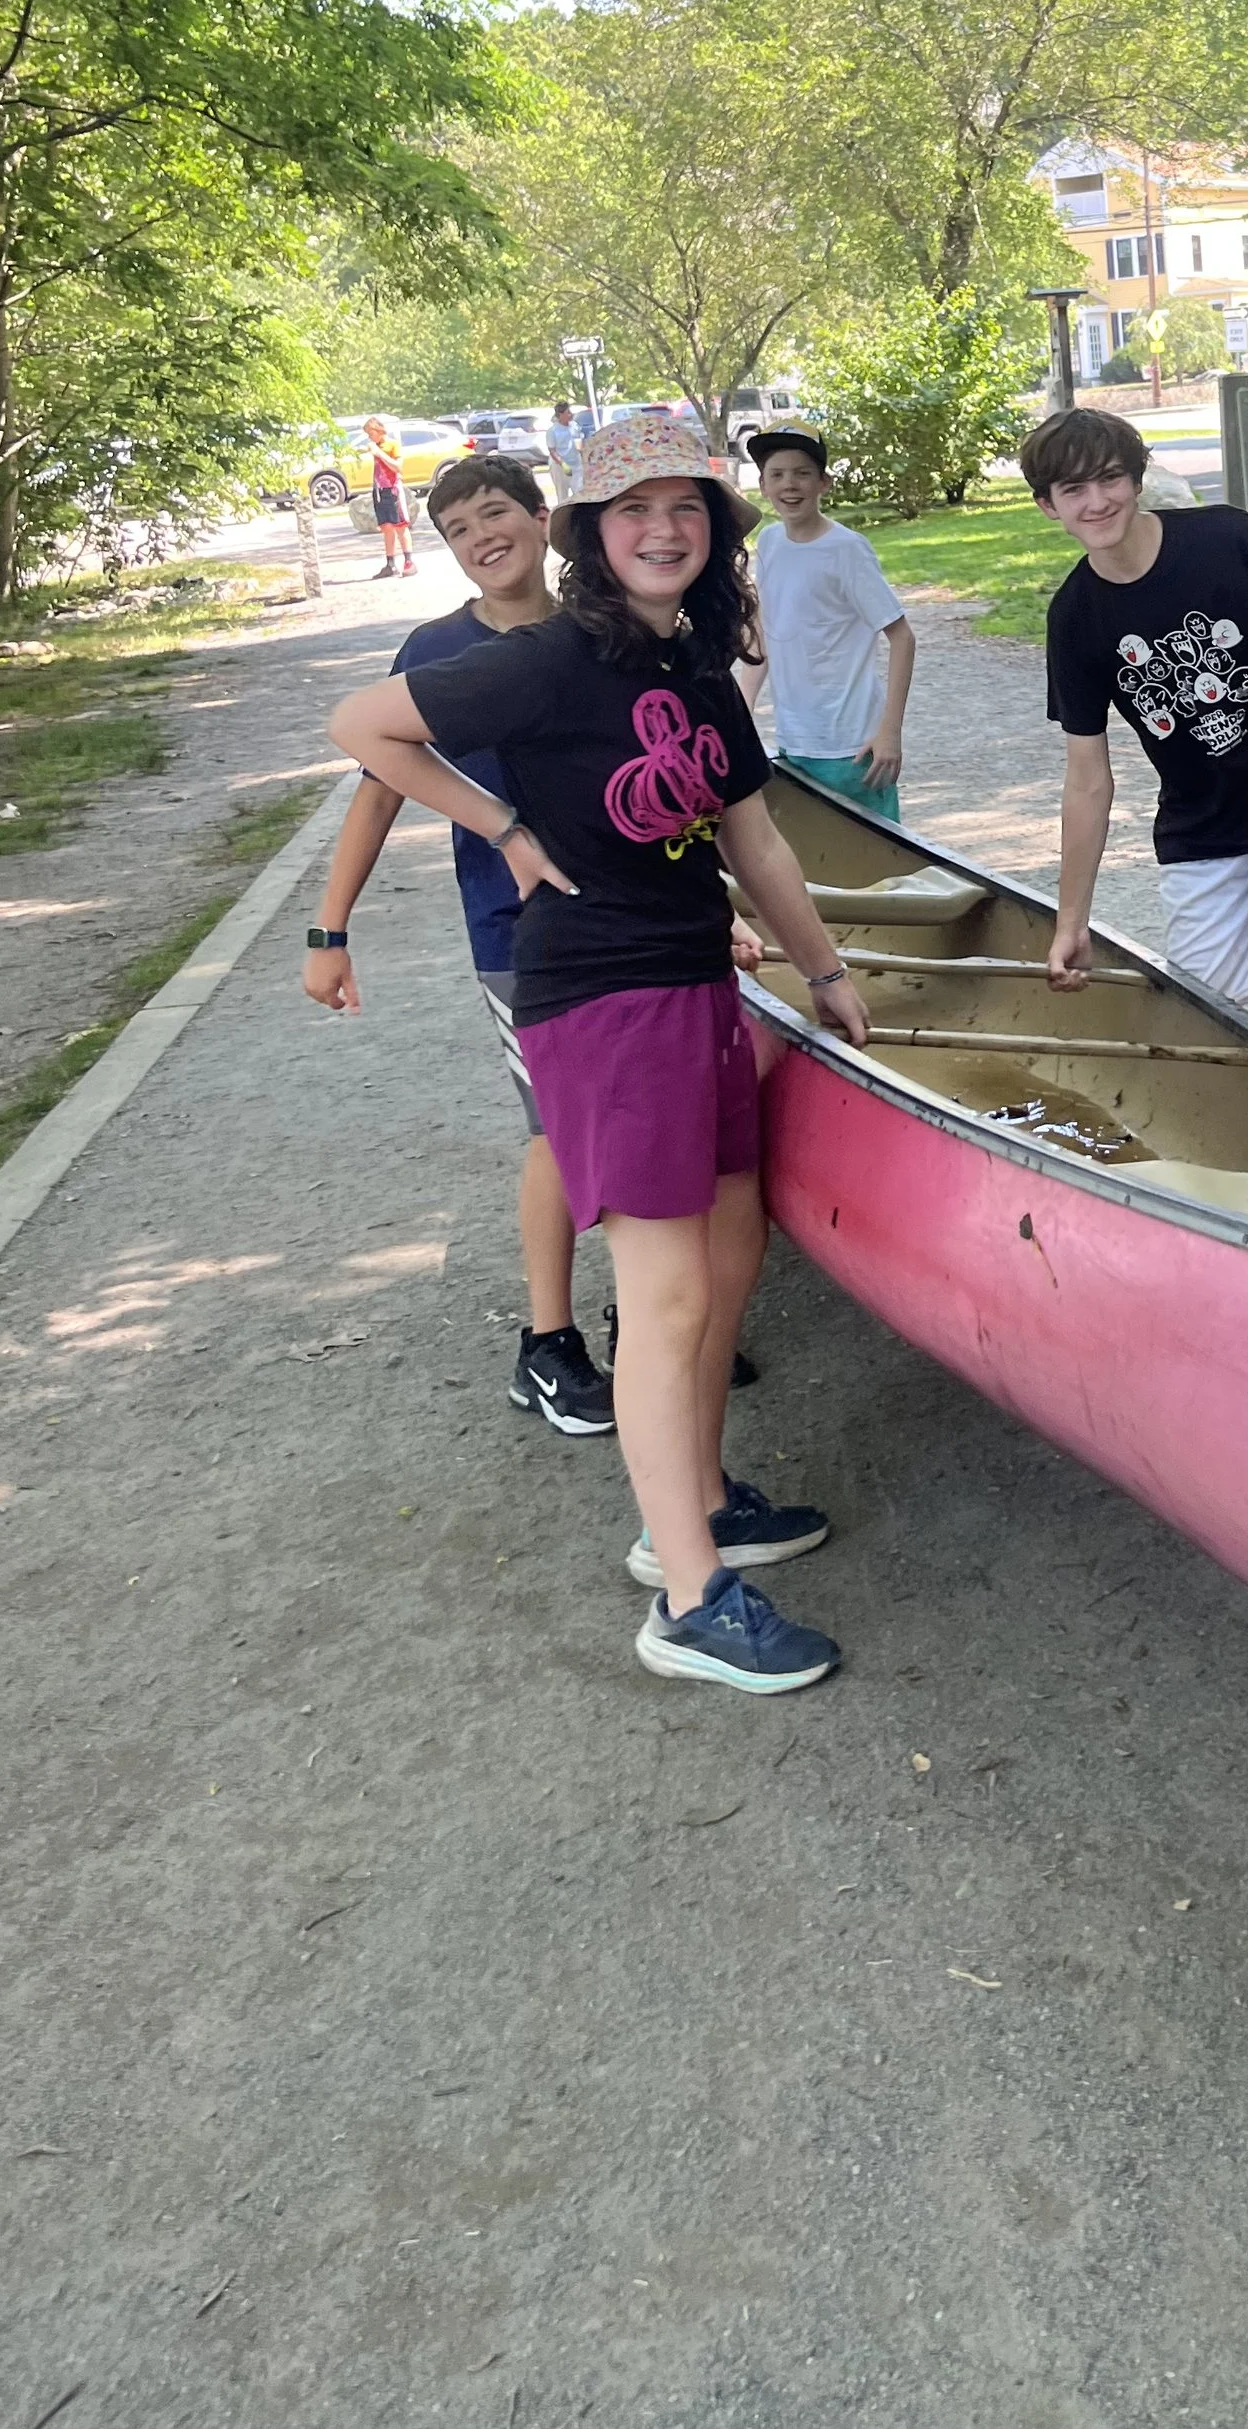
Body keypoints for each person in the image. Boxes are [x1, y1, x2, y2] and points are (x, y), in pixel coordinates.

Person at [329, 413, 873, 1696]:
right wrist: (505, 825)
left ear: (714, 531)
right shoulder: (551, 657)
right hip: (601, 1002)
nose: (662, 530)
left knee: (728, 1258)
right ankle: (688, 1598)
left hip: (694, 985)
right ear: (589, 534)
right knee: (668, 1293)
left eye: (685, 509)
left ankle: (689, 1502)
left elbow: (759, 845)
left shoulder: (693, 668)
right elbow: (366, 724)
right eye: (633, 512)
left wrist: (829, 971)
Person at [304, 454, 613, 1432]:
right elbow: (379, 785)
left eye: (495, 513)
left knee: (642, 1110)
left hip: (631, 920)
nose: (482, 537)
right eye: (457, 529)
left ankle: (651, 1314)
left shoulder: (602, 629)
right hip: (515, 936)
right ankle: (547, 1347)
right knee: (559, 1132)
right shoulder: (436, 650)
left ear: (538, 517)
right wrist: (329, 930)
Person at [1023, 406, 1248, 1080]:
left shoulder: (1225, 538)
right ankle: (1239, 1171)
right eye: (1074, 490)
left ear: (1136, 478)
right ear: (1048, 506)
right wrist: (1072, 918)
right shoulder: (1074, 618)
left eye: (1109, 479)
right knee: (1204, 1017)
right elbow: (1087, 777)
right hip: (1201, 826)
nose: (1097, 502)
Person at [737, 426, 916, 822]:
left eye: (802, 473)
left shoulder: (846, 550)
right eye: (777, 474)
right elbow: (765, 631)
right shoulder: (769, 543)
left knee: (874, 866)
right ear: (763, 486)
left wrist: (889, 731)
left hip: (852, 747)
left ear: (824, 483)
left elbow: (902, 637)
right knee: (812, 863)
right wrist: (742, 708)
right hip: (793, 741)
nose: (790, 484)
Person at [365, 417, 414, 578]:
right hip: (379, 489)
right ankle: (390, 563)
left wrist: (379, 454)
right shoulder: (374, 446)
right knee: (386, 527)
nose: (369, 437)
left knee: (400, 525)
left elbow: (398, 466)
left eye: (371, 433)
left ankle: (409, 561)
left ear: (378, 431)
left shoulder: (392, 444)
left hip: (392, 488)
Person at [546, 401, 585, 499]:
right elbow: (552, 451)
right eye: (568, 412)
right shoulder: (553, 431)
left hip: (576, 464)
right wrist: (562, 464)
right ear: (560, 414)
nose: (571, 414)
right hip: (559, 466)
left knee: (580, 492)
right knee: (562, 495)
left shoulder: (575, 426)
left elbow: (579, 443)